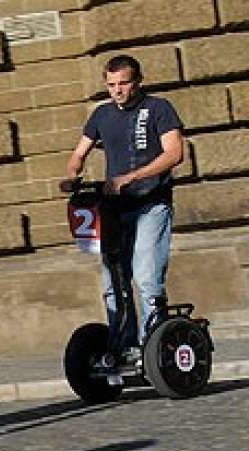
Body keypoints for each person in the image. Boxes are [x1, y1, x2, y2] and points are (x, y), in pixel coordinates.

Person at [66, 55, 185, 355]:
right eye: (111, 85)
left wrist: (131, 177)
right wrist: (72, 174)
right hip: (115, 210)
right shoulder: (101, 115)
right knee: (112, 282)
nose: (117, 90)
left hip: (151, 204)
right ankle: (123, 344)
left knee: (146, 277)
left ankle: (152, 346)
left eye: (123, 83)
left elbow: (174, 154)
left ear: (138, 81)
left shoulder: (158, 108)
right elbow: (78, 154)